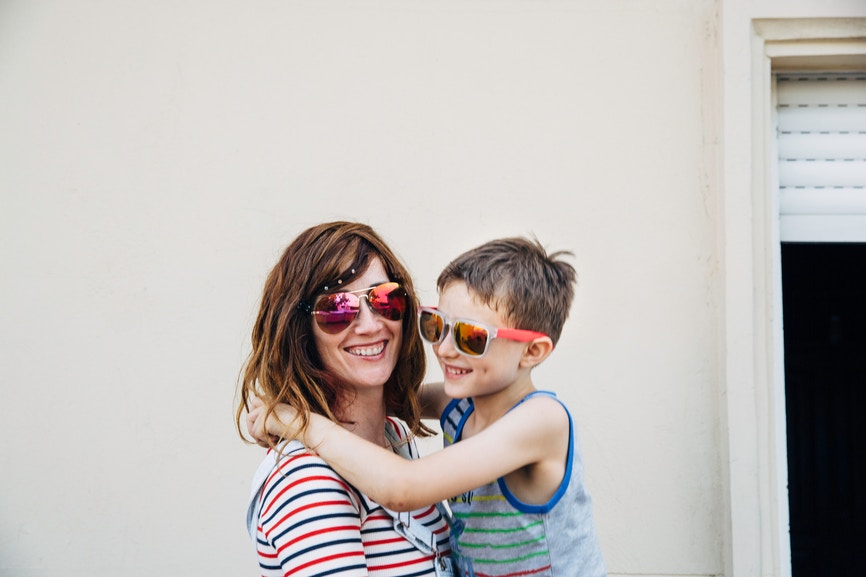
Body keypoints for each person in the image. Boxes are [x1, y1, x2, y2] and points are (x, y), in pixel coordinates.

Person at [248, 236, 607, 577]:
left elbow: (402, 488)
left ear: (532, 351)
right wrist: (290, 400)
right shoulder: (460, 407)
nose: (445, 349)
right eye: (437, 325)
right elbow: (387, 399)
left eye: (471, 337)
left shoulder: (542, 421)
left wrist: (298, 421)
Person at [235, 221, 453, 577]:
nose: (371, 325)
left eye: (385, 298)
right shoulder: (307, 480)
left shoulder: (394, 437)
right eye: (337, 308)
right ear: (301, 332)